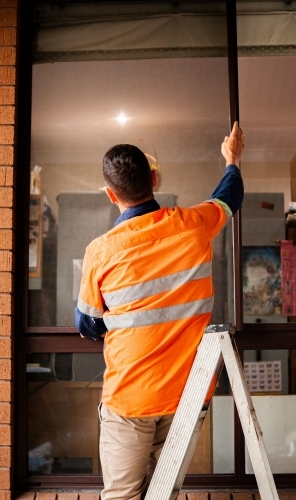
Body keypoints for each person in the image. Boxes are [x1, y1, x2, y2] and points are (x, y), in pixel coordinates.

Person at [75, 122, 245, 500]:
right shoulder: (194, 226)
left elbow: (87, 323)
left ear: (109, 194)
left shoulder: (100, 252)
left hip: (130, 401)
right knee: (163, 493)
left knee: (122, 496)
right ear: (153, 178)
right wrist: (231, 160)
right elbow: (229, 197)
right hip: (187, 395)